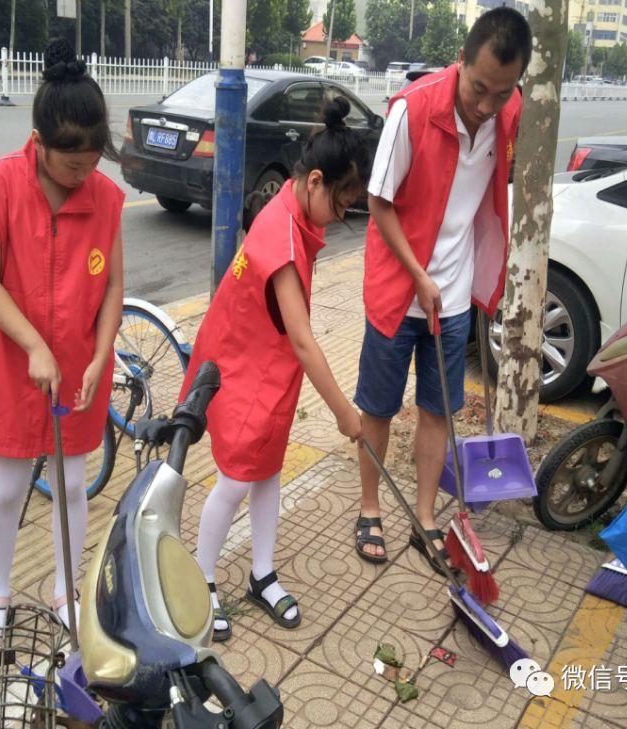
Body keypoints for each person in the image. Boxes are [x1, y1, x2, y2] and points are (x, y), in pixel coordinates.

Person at [183, 97, 371, 642]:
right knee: (237, 475)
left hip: (269, 364)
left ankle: (261, 572)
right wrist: (344, 413)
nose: (341, 217)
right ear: (314, 181)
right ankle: (202, 578)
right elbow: (306, 341)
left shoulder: (295, 208)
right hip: (241, 365)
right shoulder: (283, 235)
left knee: (267, 469)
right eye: (340, 203)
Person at [351, 7, 529, 571]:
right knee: (378, 408)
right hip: (397, 291)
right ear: (461, 62)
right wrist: (418, 275)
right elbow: (378, 203)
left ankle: (424, 515)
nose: (485, 105)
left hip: (450, 299)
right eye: (479, 88)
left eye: (500, 94)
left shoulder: (509, 111)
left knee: (438, 409)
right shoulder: (414, 109)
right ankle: (370, 507)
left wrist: (461, 279)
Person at [0, 38, 124, 640]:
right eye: (72, 164)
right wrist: (34, 344)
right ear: (39, 143)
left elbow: (111, 288)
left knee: (73, 482)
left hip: (79, 366)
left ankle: (66, 590)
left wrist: (101, 353)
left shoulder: (106, 198)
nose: (86, 175)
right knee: (7, 486)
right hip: (11, 361)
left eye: (93, 162)